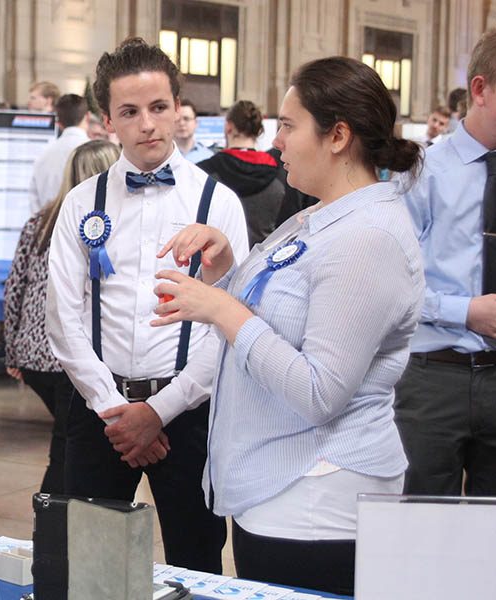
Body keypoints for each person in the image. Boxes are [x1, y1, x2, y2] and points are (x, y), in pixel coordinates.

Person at [153, 56, 424, 595]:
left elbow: (320, 389)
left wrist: (224, 311)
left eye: (288, 125)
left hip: (319, 498)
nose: (276, 141)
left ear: (338, 136)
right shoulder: (320, 215)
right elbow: (278, 317)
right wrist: (225, 269)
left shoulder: (366, 238)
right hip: (279, 484)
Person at [46, 38, 248, 572]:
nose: (148, 124)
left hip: (187, 411)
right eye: (130, 112)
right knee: (92, 561)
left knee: (197, 557)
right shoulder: (80, 203)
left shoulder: (218, 202)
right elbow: (63, 318)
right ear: (107, 121)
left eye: (159, 108)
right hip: (99, 411)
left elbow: (229, 325)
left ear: (179, 108)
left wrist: (157, 413)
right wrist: (118, 412)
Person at [396, 29, 496, 499]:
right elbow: (394, 285)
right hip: (435, 377)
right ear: (480, 89)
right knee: (420, 520)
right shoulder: (423, 172)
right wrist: (467, 312)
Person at [6, 140, 120, 493]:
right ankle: (53, 533)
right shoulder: (115, 225)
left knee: (70, 442)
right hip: (73, 356)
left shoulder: (38, 222)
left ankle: (56, 530)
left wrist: (12, 350)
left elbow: (15, 287)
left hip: (33, 353)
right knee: (68, 448)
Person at [198, 100, 285, 247]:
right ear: (258, 130)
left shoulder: (204, 171)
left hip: (217, 260)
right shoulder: (280, 173)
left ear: (228, 127)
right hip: (263, 260)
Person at [29, 93, 90, 214]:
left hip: (48, 227)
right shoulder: (96, 153)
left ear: (59, 123)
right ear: (87, 117)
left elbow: (34, 204)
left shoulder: (43, 155)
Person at [175, 99, 214, 163]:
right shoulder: (162, 156)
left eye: (186, 119)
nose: (182, 123)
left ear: (196, 123)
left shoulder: (208, 157)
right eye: (177, 119)